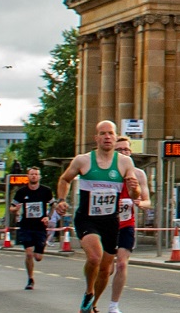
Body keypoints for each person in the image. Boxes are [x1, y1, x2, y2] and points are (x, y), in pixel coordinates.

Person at [58, 119, 138, 312]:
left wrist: (133, 190)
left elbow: (136, 196)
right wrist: (60, 200)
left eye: (110, 133)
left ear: (116, 136)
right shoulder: (83, 160)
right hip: (87, 218)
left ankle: (92, 303)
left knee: (105, 269)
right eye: (102, 133)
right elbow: (64, 179)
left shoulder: (125, 162)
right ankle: (88, 291)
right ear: (96, 138)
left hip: (111, 221)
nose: (107, 137)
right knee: (95, 257)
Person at [107, 136, 151, 312]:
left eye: (126, 149)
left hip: (127, 224)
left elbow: (148, 201)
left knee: (122, 264)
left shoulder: (139, 174)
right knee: (106, 268)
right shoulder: (108, 173)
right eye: (120, 150)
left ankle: (113, 305)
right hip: (107, 224)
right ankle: (92, 294)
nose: (124, 153)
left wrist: (140, 203)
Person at [11, 166, 54, 290]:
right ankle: (30, 279)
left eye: (36, 174)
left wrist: (48, 217)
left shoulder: (46, 191)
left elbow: (53, 205)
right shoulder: (22, 192)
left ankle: (40, 249)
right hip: (26, 226)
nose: (34, 176)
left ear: (39, 176)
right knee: (29, 253)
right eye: (31, 174)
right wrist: (15, 209)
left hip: (40, 227)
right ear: (28, 176)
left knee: (38, 257)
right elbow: (12, 207)